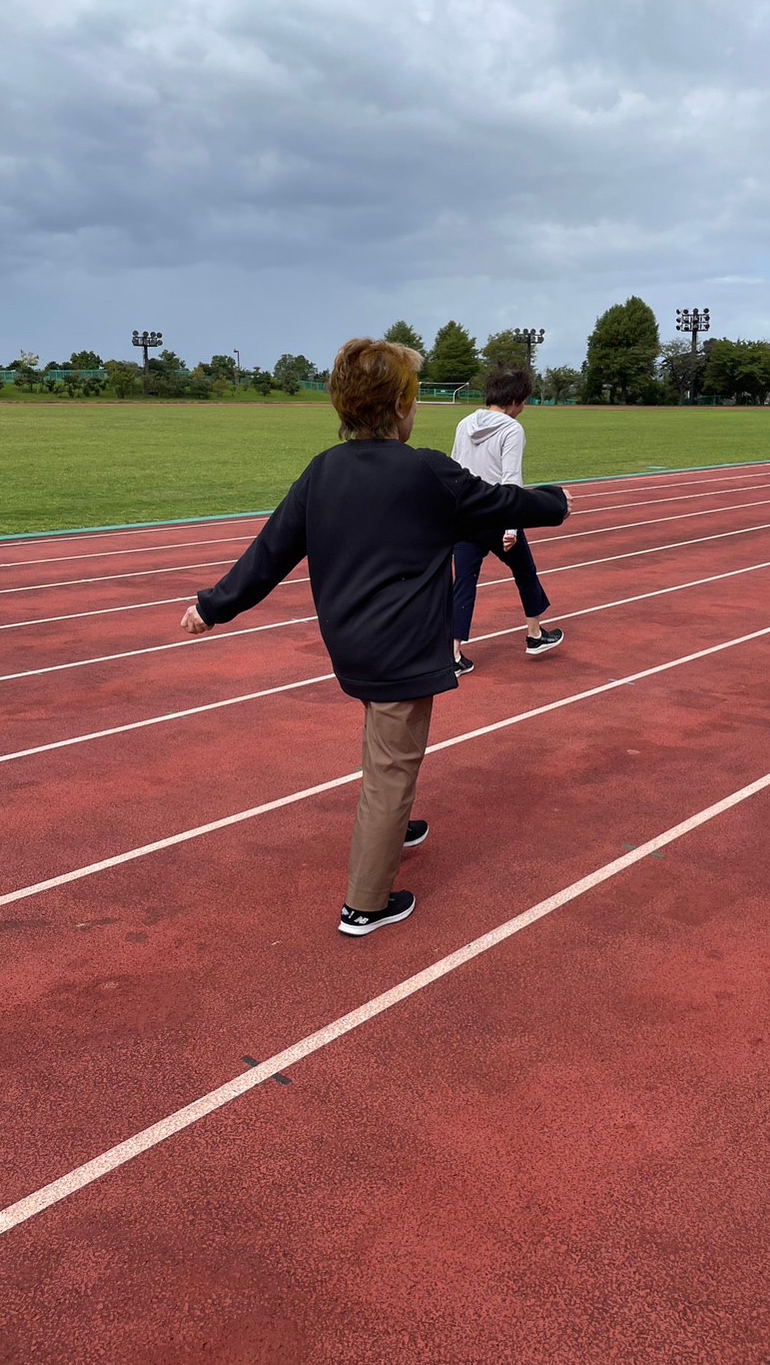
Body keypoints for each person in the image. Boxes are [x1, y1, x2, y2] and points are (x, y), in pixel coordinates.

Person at [180, 339, 570, 934]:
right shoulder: (425, 471)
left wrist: (213, 606)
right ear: (399, 407)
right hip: (403, 648)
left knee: (385, 742)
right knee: (392, 765)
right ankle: (365, 903)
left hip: (350, 642)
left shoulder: (323, 470)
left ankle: (396, 824)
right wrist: (557, 502)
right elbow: (498, 502)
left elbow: (270, 551)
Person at [450, 365, 564, 677]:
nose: (523, 408)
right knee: (525, 571)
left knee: (463, 582)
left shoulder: (464, 424)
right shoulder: (512, 429)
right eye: (523, 402)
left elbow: (454, 471)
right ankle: (535, 634)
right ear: (514, 401)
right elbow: (511, 480)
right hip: (498, 515)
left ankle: (452, 653)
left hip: (466, 516)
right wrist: (513, 526)